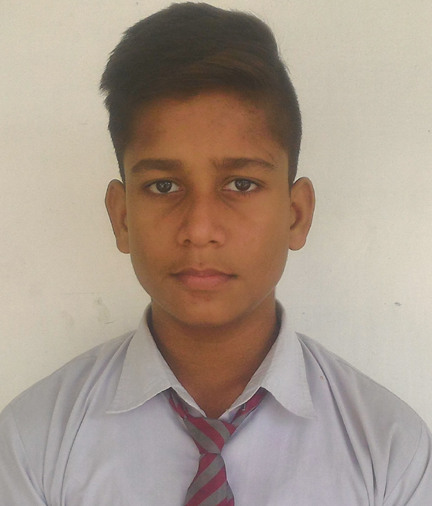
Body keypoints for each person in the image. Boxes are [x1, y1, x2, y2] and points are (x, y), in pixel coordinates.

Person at [0, 3, 431, 505]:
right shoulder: (34, 442)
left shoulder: (390, 451)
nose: (199, 230)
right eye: (164, 186)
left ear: (296, 214)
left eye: (240, 184)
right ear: (122, 217)